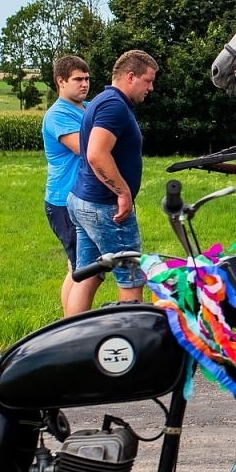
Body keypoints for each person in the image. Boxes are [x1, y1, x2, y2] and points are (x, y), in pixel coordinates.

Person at [65, 50, 157, 315]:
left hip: (84, 201)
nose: (150, 88)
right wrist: (123, 192)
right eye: (148, 81)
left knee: (88, 275)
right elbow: (95, 154)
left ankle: (71, 340)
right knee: (131, 277)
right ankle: (131, 344)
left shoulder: (103, 100)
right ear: (130, 77)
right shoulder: (114, 106)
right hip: (106, 208)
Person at [42, 55, 91, 312]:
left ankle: (70, 323)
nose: (84, 84)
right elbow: (86, 149)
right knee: (82, 270)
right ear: (61, 81)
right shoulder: (58, 114)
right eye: (77, 79)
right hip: (63, 201)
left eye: (86, 79)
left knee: (77, 267)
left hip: (82, 198)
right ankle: (73, 329)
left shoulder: (88, 107)